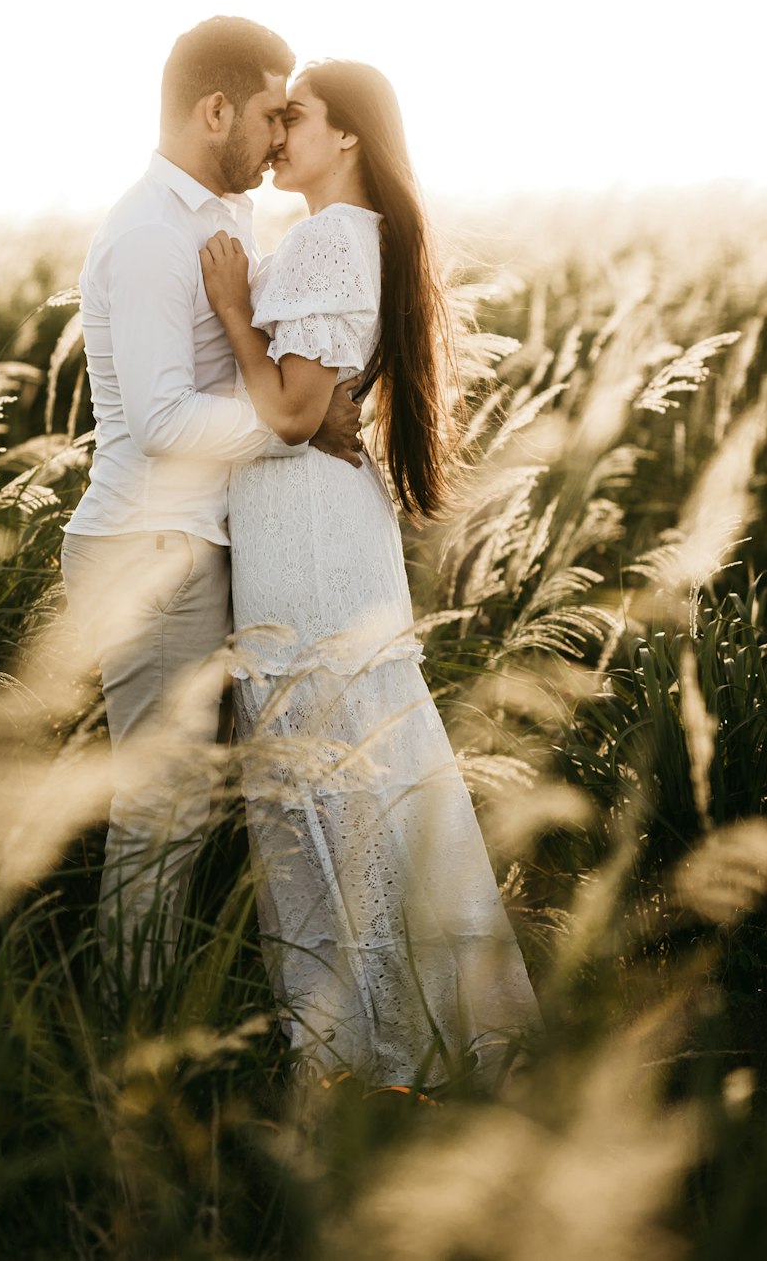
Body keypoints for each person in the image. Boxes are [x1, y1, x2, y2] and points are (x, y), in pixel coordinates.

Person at [199, 59, 542, 1091]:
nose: (277, 135)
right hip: (325, 527)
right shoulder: (366, 238)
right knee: (368, 768)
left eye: (294, 116)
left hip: (304, 537)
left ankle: (374, 1047)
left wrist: (227, 307)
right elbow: (321, 400)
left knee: (326, 772)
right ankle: (413, 1036)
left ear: (346, 137)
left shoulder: (323, 240)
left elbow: (298, 412)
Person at [60, 18, 363, 983]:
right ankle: (127, 1046)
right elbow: (159, 420)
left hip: (187, 543)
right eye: (272, 114)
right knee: (164, 815)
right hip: (149, 550)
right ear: (215, 108)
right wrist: (295, 423)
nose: (280, 138)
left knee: (188, 809)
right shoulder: (152, 234)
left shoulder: (219, 221)